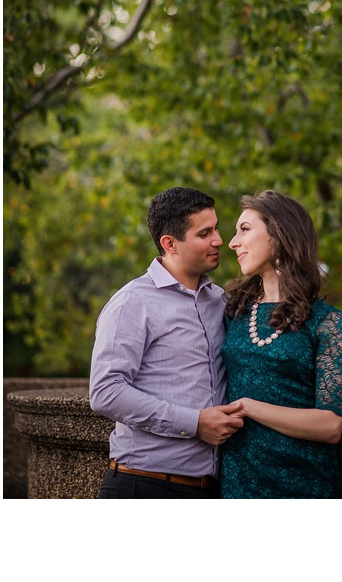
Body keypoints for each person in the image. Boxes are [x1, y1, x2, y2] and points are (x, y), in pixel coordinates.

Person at [90, 187, 244, 498]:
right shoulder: (133, 302)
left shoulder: (221, 302)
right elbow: (105, 392)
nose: (218, 240)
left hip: (212, 489)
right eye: (204, 233)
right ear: (169, 244)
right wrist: (195, 422)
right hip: (143, 486)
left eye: (216, 228)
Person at [219, 190, 342, 498]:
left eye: (245, 229)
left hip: (304, 483)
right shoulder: (233, 312)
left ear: (278, 235)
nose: (232, 242)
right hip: (239, 481)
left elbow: (330, 425)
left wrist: (249, 407)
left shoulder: (325, 321)